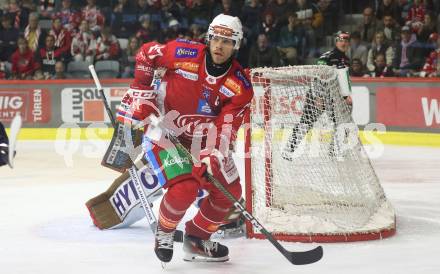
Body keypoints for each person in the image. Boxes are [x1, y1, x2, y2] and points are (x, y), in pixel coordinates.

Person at [116, 14, 253, 263]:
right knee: (185, 188)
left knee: (228, 192)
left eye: (227, 41)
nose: (220, 46)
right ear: (209, 39)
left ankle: (197, 239)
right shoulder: (183, 52)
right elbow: (147, 54)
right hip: (165, 131)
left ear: (236, 45)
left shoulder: (240, 85)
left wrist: (213, 155)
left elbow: (227, 127)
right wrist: (142, 93)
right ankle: (165, 232)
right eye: (216, 39)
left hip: (204, 140)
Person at [283, 31, 352, 158]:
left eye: (346, 40)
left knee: (341, 122)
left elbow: (343, 80)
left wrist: (346, 96)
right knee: (306, 122)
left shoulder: (346, 59)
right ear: (336, 41)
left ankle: (334, 151)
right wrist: (318, 96)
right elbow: (317, 76)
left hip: (333, 97)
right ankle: (289, 150)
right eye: (341, 40)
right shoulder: (327, 57)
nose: (344, 43)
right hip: (317, 95)